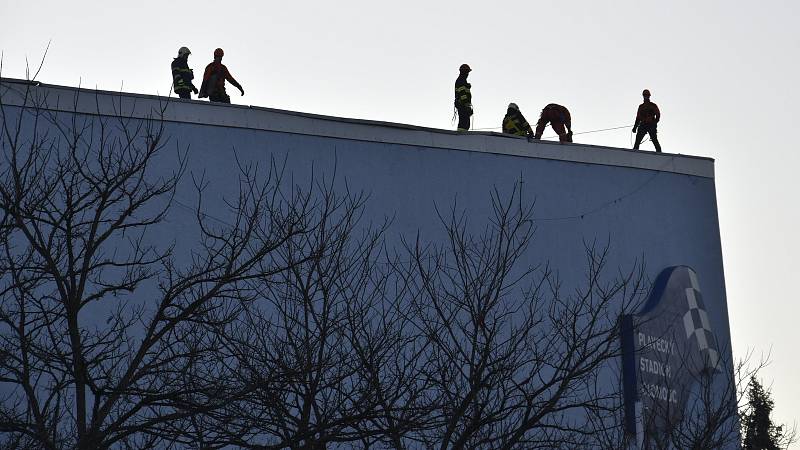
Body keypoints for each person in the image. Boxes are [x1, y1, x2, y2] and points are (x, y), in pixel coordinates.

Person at [454, 64, 472, 131]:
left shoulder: (462, 80)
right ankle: (461, 135)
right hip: (462, 104)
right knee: (464, 123)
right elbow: (462, 94)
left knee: (465, 122)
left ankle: (462, 134)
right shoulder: (461, 80)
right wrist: (466, 105)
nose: (468, 74)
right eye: (467, 72)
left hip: (462, 104)